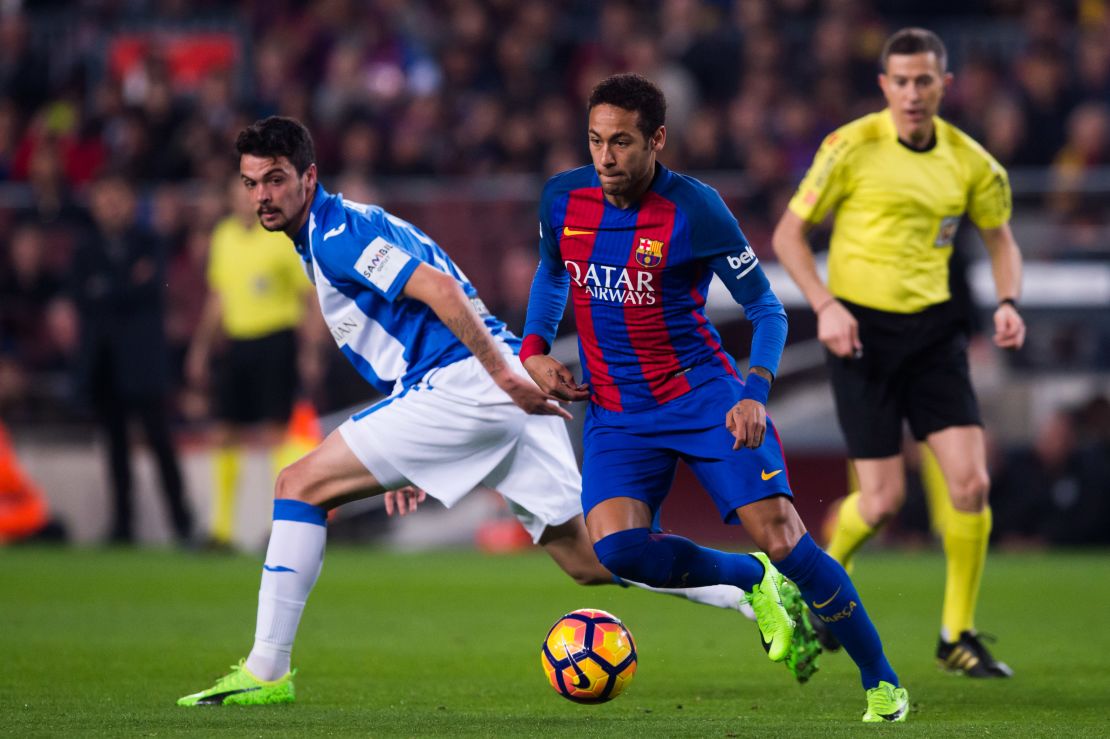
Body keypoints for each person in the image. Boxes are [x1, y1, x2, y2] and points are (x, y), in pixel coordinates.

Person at [178, 115, 819, 708]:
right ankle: (751, 583)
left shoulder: (337, 236)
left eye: (276, 179)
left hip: (471, 386)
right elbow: (416, 319)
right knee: (593, 558)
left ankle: (267, 669)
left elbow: (440, 290)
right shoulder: (344, 226)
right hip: (485, 382)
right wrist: (432, 421)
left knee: (298, 484)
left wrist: (498, 380)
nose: (263, 195)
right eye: (251, 183)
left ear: (308, 177)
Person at [519, 73, 906, 723]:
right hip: (616, 411)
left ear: (657, 140)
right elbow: (552, 271)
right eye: (594, 141)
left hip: (703, 397)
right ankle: (752, 579)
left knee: (785, 537)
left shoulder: (696, 208)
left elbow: (767, 308)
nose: (605, 157)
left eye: (621, 142)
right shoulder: (562, 198)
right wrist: (533, 349)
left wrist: (755, 391)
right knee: (616, 549)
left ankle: (883, 682)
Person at [772, 28, 1025, 678]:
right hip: (860, 333)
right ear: (885, 86)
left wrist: (1007, 301)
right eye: (902, 81)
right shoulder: (850, 146)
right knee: (881, 501)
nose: (913, 93)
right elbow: (789, 235)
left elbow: (1001, 241)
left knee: (971, 482)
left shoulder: (972, 163)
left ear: (944, 85)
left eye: (925, 81)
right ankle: (826, 579)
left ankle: (956, 634)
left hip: (935, 335)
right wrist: (825, 306)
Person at [185, 174, 324, 549]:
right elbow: (218, 296)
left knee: (276, 434)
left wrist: (310, 349)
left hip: (276, 340)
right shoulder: (224, 236)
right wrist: (201, 348)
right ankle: (222, 530)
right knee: (224, 432)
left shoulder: (278, 237)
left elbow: (308, 295)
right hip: (237, 344)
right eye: (240, 192)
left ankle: (277, 527)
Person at [64, 171, 193, 545]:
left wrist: (105, 288)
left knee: (161, 445)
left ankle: (182, 523)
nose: (111, 206)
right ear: (95, 204)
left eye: (117, 198)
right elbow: (82, 295)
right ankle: (122, 527)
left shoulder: (150, 241)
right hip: (105, 363)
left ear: (132, 203)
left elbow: (147, 288)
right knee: (115, 450)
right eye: (104, 199)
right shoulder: (85, 248)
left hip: (144, 363)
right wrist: (124, 285)